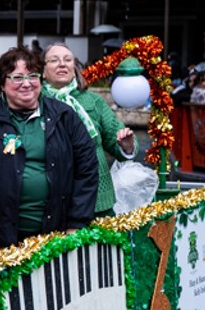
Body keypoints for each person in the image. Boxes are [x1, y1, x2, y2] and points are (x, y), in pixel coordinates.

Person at [0, 46, 98, 248]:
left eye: (33, 76)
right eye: (17, 78)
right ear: (2, 84)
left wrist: (76, 223)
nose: (26, 84)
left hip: (54, 233)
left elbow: (87, 170)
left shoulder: (64, 116)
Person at [41, 43, 135, 218]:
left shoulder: (93, 101)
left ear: (74, 67)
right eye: (54, 60)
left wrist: (127, 146)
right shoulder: (35, 102)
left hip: (98, 197)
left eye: (67, 60)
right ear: (43, 71)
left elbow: (118, 141)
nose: (62, 64)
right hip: (52, 198)